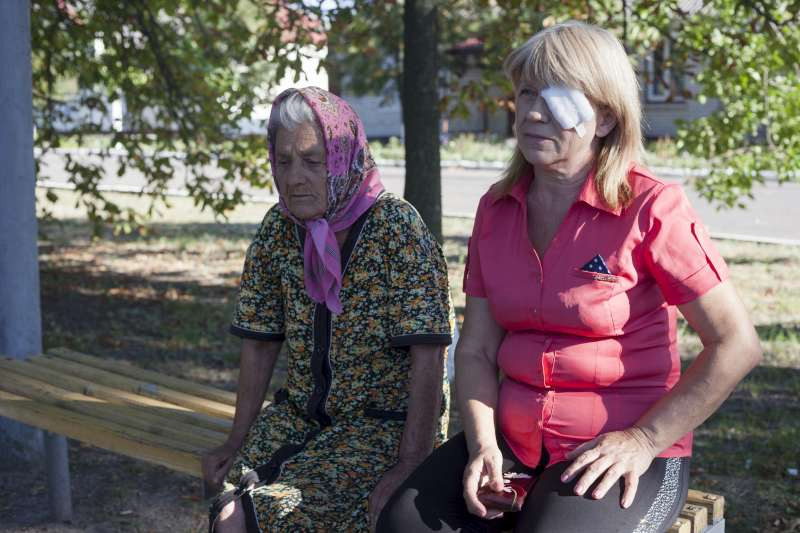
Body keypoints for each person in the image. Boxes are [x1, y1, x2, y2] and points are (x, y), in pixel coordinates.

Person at [377, 21, 762, 533]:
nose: (533, 111)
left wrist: (645, 441)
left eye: (558, 96)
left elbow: (737, 343)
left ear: (604, 118)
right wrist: (484, 446)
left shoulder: (652, 207)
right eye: (527, 92)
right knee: (404, 522)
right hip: (513, 444)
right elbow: (476, 351)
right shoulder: (496, 210)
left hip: (624, 451)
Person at [203, 86, 453, 532]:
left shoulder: (397, 229)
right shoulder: (279, 228)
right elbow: (260, 342)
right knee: (228, 510)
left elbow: (429, 353)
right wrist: (236, 437)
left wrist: (411, 461)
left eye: (313, 161)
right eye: (283, 161)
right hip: (297, 419)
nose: (295, 176)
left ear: (343, 159)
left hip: (382, 430)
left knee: (273, 517)